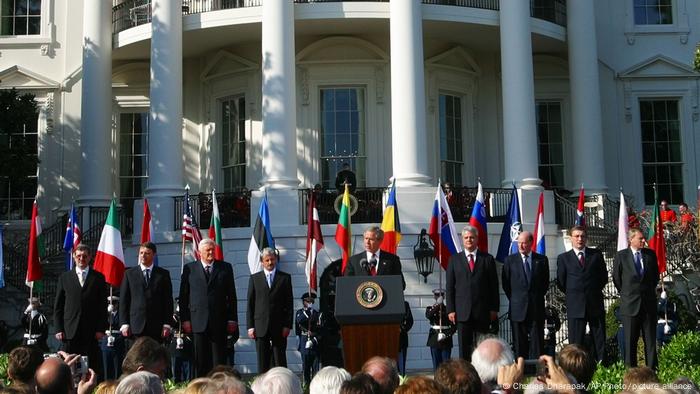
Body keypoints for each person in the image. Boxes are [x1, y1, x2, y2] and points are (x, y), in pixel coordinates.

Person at [179, 238, 239, 377]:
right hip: (197, 322)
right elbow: (183, 297)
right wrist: (185, 320)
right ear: (200, 252)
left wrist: (232, 319)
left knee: (219, 362)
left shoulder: (225, 267)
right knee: (200, 361)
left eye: (212, 249)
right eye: (208, 250)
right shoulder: (190, 269)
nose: (211, 252)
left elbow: (232, 296)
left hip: (219, 321)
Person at [53, 244, 108, 380]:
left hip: (91, 332)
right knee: (69, 367)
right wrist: (58, 328)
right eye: (78, 256)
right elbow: (58, 306)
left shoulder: (98, 278)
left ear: (90, 257)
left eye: (84, 256)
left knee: (91, 366)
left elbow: (102, 306)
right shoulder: (65, 278)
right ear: (74, 257)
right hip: (70, 331)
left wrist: (101, 329)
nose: (81, 259)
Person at [446, 225, 499, 359]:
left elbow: (494, 286)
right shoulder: (454, 260)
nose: (469, 240)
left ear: (477, 239)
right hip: (462, 313)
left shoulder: (487, 259)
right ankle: (466, 376)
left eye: (472, 237)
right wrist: (450, 309)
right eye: (466, 238)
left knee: (483, 347)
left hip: (482, 312)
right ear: (462, 240)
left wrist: (494, 308)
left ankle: (483, 375)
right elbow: (450, 287)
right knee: (464, 349)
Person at [556, 226, 608, 363]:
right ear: (571, 238)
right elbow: (561, 282)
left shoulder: (596, 254)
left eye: (583, 236)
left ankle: (601, 364)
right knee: (576, 342)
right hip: (575, 305)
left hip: (595, 304)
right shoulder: (563, 258)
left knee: (599, 338)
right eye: (577, 236)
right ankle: (575, 367)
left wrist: (593, 292)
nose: (580, 239)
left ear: (586, 238)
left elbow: (603, 277)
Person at [613, 228, 660, 369]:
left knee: (650, 342)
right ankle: (631, 374)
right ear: (631, 239)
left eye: (643, 238)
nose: (643, 241)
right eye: (640, 238)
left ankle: (652, 372)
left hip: (648, 305)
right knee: (630, 343)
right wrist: (628, 293)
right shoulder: (621, 256)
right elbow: (617, 279)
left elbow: (655, 277)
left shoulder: (650, 255)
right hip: (630, 305)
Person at [502, 231, 549, 359]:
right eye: (519, 243)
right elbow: (506, 285)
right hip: (518, 309)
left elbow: (544, 284)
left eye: (524, 243)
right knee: (519, 344)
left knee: (537, 344)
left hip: (536, 309)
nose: (521, 245)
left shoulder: (542, 260)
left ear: (531, 243)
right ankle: (520, 373)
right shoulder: (509, 261)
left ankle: (537, 373)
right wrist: (517, 299)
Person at [247, 247, 294, 373]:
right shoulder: (254, 279)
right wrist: (250, 326)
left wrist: (287, 325)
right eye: (267, 260)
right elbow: (250, 304)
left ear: (276, 260)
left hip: (279, 326)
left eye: (272, 259)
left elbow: (289, 303)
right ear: (262, 261)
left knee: (280, 360)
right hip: (260, 326)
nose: (270, 262)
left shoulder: (285, 278)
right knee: (263, 361)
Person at [120, 242, 174, 344]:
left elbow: (167, 301)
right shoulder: (129, 274)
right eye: (141, 253)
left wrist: (167, 324)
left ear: (154, 255)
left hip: (156, 326)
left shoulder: (163, 274)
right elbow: (124, 300)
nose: (143, 256)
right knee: (137, 358)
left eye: (147, 253)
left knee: (154, 357)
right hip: (135, 326)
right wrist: (124, 323)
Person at [295, 292, 321, 386]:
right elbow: (299, 321)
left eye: (311, 301)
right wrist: (307, 312)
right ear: (303, 302)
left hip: (314, 342)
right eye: (307, 301)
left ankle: (315, 386)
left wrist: (314, 341)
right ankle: (306, 385)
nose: (309, 303)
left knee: (315, 366)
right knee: (305, 366)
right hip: (304, 340)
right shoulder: (300, 313)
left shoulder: (318, 314)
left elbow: (320, 330)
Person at [426, 289, 455, 371]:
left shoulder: (449, 310)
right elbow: (429, 315)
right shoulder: (430, 308)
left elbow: (454, 326)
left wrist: (446, 335)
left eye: (441, 294)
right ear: (434, 296)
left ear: (444, 296)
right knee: (436, 366)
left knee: (446, 366)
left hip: (445, 339)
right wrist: (437, 305)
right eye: (437, 294)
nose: (439, 296)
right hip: (434, 338)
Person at [101, 295, 125, 380]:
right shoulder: (104, 314)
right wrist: (107, 314)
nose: (111, 305)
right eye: (109, 303)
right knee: (106, 368)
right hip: (106, 343)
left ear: (117, 304)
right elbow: (100, 325)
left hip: (117, 343)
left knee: (117, 369)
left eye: (114, 303)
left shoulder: (121, 314)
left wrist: (117, 337)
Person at [397, 301, 413, 376]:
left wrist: (403, 329)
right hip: (389, 337)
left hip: (401, 337)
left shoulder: (405, 304)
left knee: (401, 362)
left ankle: (402, 380)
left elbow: (410, 320)